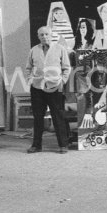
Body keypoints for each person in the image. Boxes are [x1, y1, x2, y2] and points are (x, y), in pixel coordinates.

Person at [25, 25, 71, 153]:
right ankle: (36, 145)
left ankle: (63, 145)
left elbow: (66, 68)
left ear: (51, 35)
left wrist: (63, 82)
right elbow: (28, 68)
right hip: (37, 87)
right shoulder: (34, 50)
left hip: (55, 87)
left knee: (58, 116)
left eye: (46, 34)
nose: (44, 37)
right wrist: (30, 80)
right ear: (38, 36)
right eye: (41, 35)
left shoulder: (60, 49)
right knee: (38, 116)